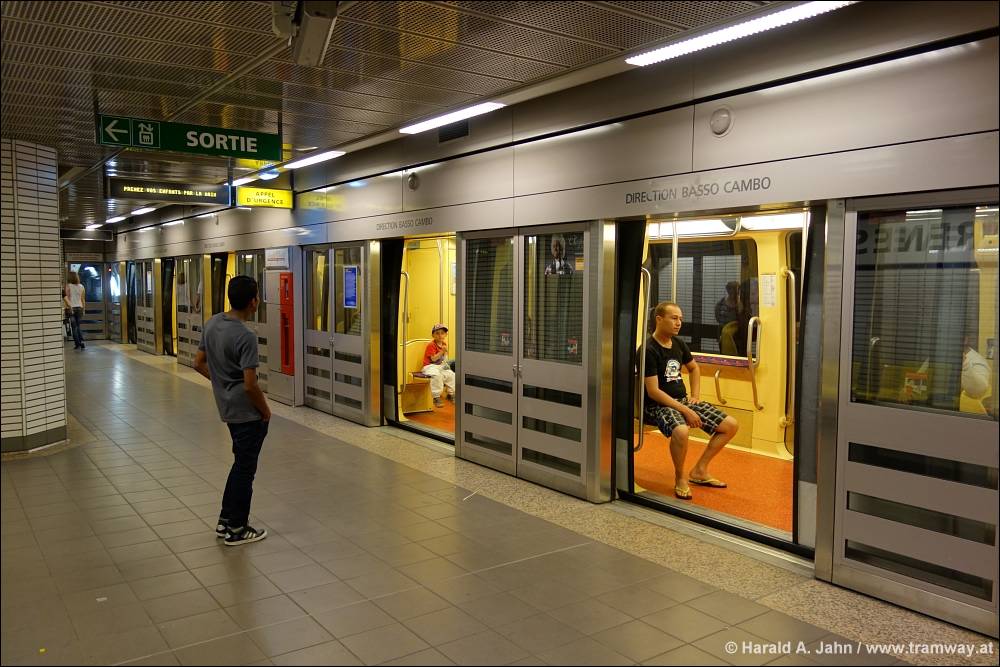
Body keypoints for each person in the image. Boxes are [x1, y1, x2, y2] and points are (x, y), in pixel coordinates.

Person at [194, 276, 271, 546]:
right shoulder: (246, 336)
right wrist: (265, 410)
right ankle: (237, 528)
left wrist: (221, 384)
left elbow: (198, 363)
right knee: (245, 470)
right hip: (246, 412)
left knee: (240, 464)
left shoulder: (213, 323)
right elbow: (250, 384)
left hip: (227, 407)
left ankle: (226, 519)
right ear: (253, 302)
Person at [644, 302, 739, 500]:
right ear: (659, 319)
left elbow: (694, 368)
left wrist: (694, 397)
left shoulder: (679, 344)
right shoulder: (648, 349)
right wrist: (686, 411)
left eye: (680, 319)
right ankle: (680, 478)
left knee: (730, 425)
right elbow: (653, 391)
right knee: (681, 431)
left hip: (683, 400)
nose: (679, 323)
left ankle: (699, 470)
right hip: (658, 405)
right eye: (674, 318)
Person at [422, 323, 456, 408]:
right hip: (429, 366)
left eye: (442, 333)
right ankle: (436, 397)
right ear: (433, 335)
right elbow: (433, 359)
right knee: (437, 375)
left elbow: (444, 358)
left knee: (451, 374)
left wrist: (446, 365)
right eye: (437, 333)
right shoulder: (431, 345)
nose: (440, 335)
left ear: (445, 335)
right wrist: (442, 352)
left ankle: (451, 394)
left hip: (439, 366)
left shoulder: (444, 344)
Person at [715, 281, 740, 355]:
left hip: (737, 335)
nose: (732, 291)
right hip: (722, 331)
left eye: (734, 289)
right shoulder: (721, 303)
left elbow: (743, 318)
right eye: (730, 289)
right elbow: (717, 316)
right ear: (727, 290)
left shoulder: (741, 303)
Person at [64, 271, 86, 350]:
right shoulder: (81, 286)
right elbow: (83, 299)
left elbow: (66, 298)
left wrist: (66, 307)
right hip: (80, 308)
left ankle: (77, 344)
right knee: (78, 326)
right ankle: (81, 341)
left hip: (71, 308)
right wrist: (84, 309)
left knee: (74, 327)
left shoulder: (68, 286)